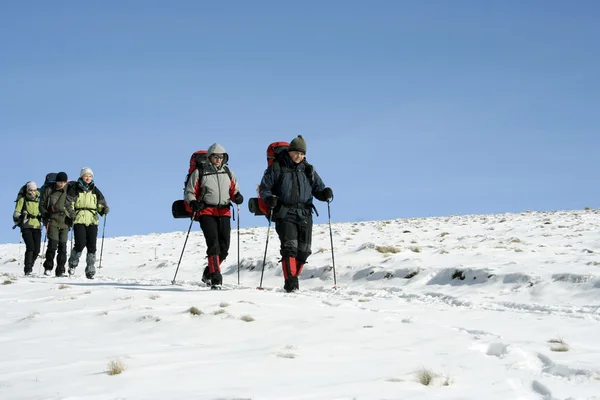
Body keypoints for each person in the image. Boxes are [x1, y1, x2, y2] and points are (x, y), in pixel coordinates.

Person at [259, 135, 333, 292]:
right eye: (296, 153)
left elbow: (318, 188)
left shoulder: (308, 169)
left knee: (304, 251)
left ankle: (293, 277)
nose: (299, 156)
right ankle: (291, 283)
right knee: (289, 247)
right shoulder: (277, 167)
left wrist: (325, 193)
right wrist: (269, 198)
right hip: (285, 212)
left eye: (302, 153)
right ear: (290, 151)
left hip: (305, 213)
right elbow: (265, 188)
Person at [184, 143, 243, 288]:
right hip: (206, 212)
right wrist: (193, 203)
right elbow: (189, 192)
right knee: (213, 245)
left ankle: (208, 272)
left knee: (224, 248)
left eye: (221, 157)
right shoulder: (200, 172)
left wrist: (238, 197)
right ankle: (216, 279)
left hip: (224, 212)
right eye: (216, 156)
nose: (218, 159)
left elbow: (234, 190)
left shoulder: (228, 172)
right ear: (210, 157)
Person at [65, 168, 109, 279]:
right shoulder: (75, 189)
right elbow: (68, 204)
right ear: (81, 177)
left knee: (92, 246)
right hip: (79, 219)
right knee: (80, 243)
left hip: (92, 220)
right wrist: (72, 214)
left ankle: (90, 270)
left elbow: (101, 204)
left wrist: (104, 209)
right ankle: (73, 263)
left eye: (90, 176)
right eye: (86, 176)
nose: (88, 178)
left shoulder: (95, 190)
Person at [40, 172, 71, 277]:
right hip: (52, 219)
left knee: (63, 247)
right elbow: (42, 204)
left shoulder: (69, 190)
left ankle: (61, 270)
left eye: (63, 182)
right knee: (53, 244)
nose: (61, 184)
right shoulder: (49, 190)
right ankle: (48, 267)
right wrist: (45, 214)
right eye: (59, 181)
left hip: (65, 220)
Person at [13, 181, 43, 276]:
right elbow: (17, 212)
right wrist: (18, 219)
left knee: (37, 250)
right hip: (26, 226)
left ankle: (30, 265)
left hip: (37, 226)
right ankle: (28, 269)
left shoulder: (39, 199)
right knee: (30, 247)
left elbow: (42, 210)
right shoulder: (23, 199)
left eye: (34, 190)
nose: (32, 192)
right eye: (30, 190)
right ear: (27, 190)